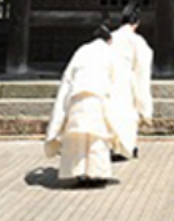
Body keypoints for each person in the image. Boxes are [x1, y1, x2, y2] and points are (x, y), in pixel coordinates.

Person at [45, 23, 122, 186]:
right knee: (96, 138)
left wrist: (61, 110)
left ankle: (78, 173)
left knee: (77, 138)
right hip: (97, 98)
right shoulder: (110, 52)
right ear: (109, 40)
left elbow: (68, 77)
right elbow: (116, 80)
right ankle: (97, 174)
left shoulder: (81, 51)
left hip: (77, 97)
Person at [109, 3, 153, 159]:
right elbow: (142, 70)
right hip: (126, 81)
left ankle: (111, 146)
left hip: (109, 80)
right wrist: (145, 106)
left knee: (109, 113)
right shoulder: (137, 42)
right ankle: (126, 146)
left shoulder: (110, 38)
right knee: (126, 115)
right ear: (137, 23)